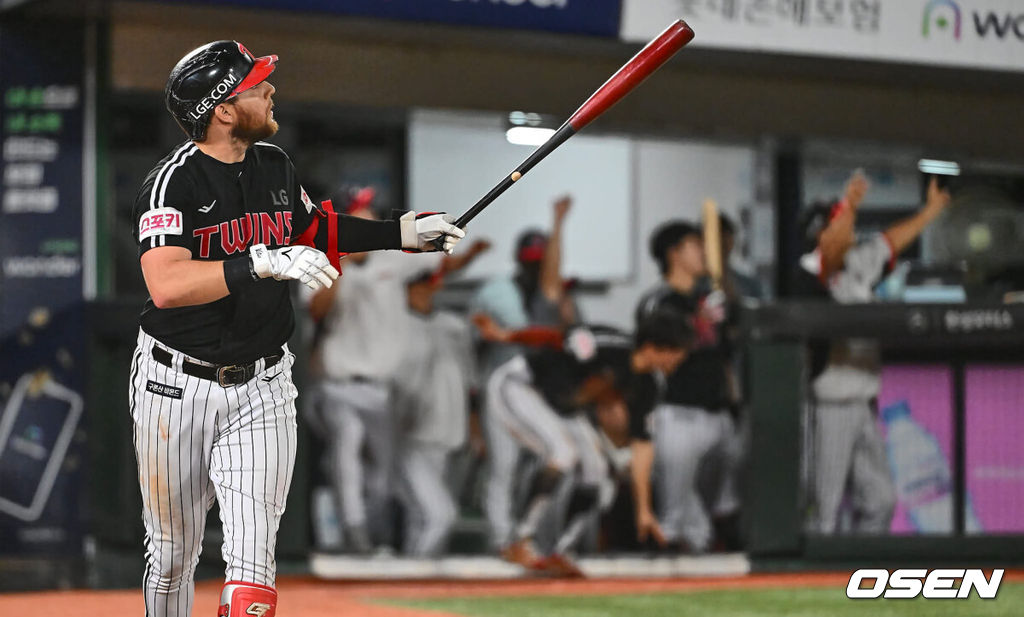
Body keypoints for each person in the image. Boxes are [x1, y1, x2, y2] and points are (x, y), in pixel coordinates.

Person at [129, 41, 464, 617]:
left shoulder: (274, 165)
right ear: (224, 109)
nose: (270, 90)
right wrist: (258, 262)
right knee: (171, 558)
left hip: (263, 384)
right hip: (175, 386)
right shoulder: (172, 183)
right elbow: (168, 284)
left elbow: (313, 229)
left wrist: (399, 234)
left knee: (254, 569)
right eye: (257, 85)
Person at [794, 170, 951, 534]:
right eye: (839, 222)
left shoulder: (857, 262)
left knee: (881, 499)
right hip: (827, 405)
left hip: (864, 401)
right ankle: (814, 583)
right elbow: (829, 257)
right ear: (821, 233)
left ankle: (857, 571)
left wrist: (930, 212)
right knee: (825, 508)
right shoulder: (808, 270)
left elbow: (891, 242)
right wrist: (848, 205)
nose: (850, 226)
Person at [475, 311, 691, 576]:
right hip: (523, 384)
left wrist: (644, 510)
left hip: (562, 407)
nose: (681, 358)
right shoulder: (609, 344)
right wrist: (505, 335)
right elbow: (556, 337)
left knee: (597, 469)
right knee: (563, 452)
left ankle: (562, 551)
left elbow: (642, 447)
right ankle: (519, 540)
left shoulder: (651, 384)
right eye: (678, 350)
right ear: (654, 347)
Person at [633, 220, 739, 553]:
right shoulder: (658, 301)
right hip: (677, 413)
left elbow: (729, 348)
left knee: (722, 505)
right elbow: (654, 355)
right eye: (695, 245)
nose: (704, 252)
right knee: (675, 515)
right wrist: (702, 319)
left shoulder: (710, 298)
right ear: (674, 253)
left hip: (718, 413)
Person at [391, 257, 486, 557]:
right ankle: (414, 575)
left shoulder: (453, 326)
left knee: (423, 518)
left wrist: (474, 426)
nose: (422, 290)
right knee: (439, 515)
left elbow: (470, 382)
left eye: (426, 284)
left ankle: (417, 583)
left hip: (450, 435)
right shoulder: (394, 327)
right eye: (416, 285)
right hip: (410, 440)